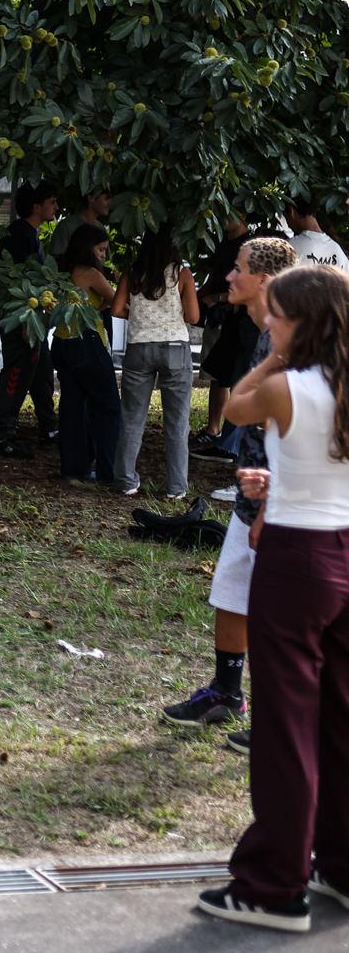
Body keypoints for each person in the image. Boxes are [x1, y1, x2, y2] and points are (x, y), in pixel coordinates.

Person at [197, 263, 349, 933]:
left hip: (298, 560)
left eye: (278, 316)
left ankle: (273, 884)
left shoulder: (287, 383)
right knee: (341, 718)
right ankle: (340, 864)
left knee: (287, 727)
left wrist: (279, 355)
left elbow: (234, 406)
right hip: (343, 549)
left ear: (301, 326)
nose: (270, 324)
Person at [162, 238, 296, 738]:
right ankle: (225, 691)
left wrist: (271, 502)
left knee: (282, 612)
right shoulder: (263, 335)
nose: (227, 278)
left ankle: (283, 721)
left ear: (265, 281)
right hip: (251, 497)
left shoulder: (290, 341)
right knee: (231, 593)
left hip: (281, 501)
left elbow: (273, 423)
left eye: (237, 270)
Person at [110, 228, 200, 498]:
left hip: (139, 348)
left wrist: (138, 316)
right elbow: (194, 317)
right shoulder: (182, 274)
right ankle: (175, 488)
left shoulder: (132, 272)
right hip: (175, 349)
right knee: (177, 421)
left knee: (132, 418)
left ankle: (126, 481)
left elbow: (116, 309)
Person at [0, 181, 61, 458]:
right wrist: (25, 323)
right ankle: (4, 437)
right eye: (52, 202)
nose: (56, 207)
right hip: (22, 322)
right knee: (17, 374)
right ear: (37, 206)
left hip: (33, 323)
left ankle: (50, 430)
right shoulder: (20, 235)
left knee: (42, 372)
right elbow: (19, 281)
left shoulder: (29, 233)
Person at [51, 226, 121, 482]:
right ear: (88, 247)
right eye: (101, 249)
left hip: (61, 342)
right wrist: (97, 308)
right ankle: (108, 472)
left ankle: (73, 469)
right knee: (109, 407)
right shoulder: (90, 273)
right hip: (86, 341)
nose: (104, 255)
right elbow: (115, 300)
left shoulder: (62, 271)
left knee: (72, 409)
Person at [191, 215, 254, 458]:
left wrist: (220, 298)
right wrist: (195, 300)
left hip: (237, 319)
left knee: (236, 377)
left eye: (231, 211)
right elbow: (213, 278)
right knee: (217, 374)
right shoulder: (219, 243)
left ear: (244, 214)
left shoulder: (250, 246)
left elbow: (247, 286)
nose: (224, 215)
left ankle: (230, 441)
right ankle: (215, 429)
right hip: (219, 317)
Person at [285, 198, 349, 272]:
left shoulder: (288, 248)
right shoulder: (338, 250)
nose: (288, 225)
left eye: (285, 216)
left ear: (291, 210)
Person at [46, 187, 112, 259]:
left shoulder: (101, 227)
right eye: (107, 198)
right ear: (90, 198)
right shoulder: (66, 226)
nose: (110, 202)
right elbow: (55, 261)